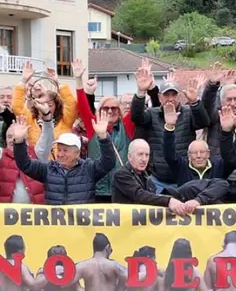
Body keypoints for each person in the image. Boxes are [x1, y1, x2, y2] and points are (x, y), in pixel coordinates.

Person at [130, 67, 210, 192]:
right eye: (166, 95)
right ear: (160, 97)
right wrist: (141, 92)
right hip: (158, 179)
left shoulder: (188, 112)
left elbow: (203, 122)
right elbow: (136, 117)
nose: (170, 98)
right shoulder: (152, 114)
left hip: (184, 178)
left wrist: (195, 102)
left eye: (174, 94)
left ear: (178, 96)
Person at [13, 110, 116, 205]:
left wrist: (103, 137)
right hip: (55, 223)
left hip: (81, 223)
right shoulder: (48, 169)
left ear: (77, 153)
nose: (61, 154)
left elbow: (108, 162)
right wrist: (18, 142)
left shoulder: (88, 168)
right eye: (59, 149)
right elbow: (25, 164)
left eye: (65, 150)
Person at [74, 59, 135, 201]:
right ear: (99, 110)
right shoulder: (93, 127)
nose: (110, 111)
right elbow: (83, 106)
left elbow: (136, 108)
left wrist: (141, 89)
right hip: (98, 189)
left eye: (114, 108)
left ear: (119, 110)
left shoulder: (126, 127)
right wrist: (78, 79)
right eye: (105, 108)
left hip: (122, 188)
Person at [112, 139, 229, 213]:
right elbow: (139, 195)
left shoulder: (147, 178)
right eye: (140, 154)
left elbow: (223, 184)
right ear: (129, 156)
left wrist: (198, 201)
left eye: (147, 155)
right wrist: (169, 201)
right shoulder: (121, 175)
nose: (144, 159)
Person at [0, 98, 53, 204]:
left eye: (17, 136)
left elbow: (48, 136)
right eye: (9, 136)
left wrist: (47, 116)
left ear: (26, 138)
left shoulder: (37, 153)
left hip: (36, 216)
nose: (13, 140)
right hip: (6, 217)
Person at [163, 103, 236, 186]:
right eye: (194, 153)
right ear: (188, 155)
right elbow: (169, 153)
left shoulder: (219, 166)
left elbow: (235, 157)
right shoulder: (181, 167)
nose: (199, 156)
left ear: (208, 154)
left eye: (202, 152)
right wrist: (169, 127)